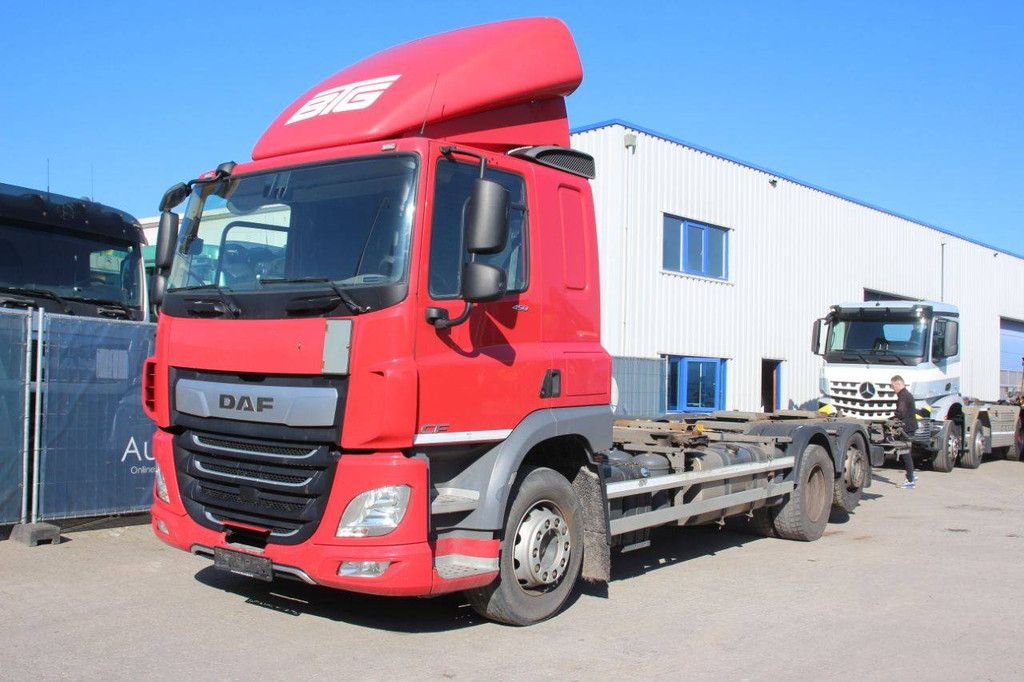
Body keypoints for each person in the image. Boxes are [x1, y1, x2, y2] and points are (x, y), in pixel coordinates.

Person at [891, 375, 918, 488]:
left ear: (898, 384)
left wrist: (892, 418)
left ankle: (910, 480)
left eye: (893, 386)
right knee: (907, 452)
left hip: (906, 428)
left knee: (905, 452)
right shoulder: (907, 394)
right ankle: (912, 474)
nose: (893, 389)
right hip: (910, 427)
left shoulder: (903, 396)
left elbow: (901, 413)